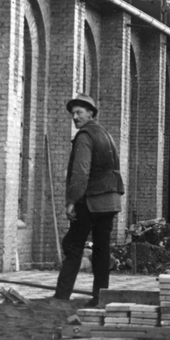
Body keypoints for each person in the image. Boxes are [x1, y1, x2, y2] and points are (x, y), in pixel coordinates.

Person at [53, 94, 124, 307]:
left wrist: (71, 201)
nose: (74, 117)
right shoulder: (105, 134)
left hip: (91, 200)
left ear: (90, 113)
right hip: (111, 201)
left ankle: (61, 297)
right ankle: (100, 297)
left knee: (72, 245)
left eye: (79, 112)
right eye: (73, 113)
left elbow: (81, 172)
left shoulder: (84, 136)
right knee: (102, 249)